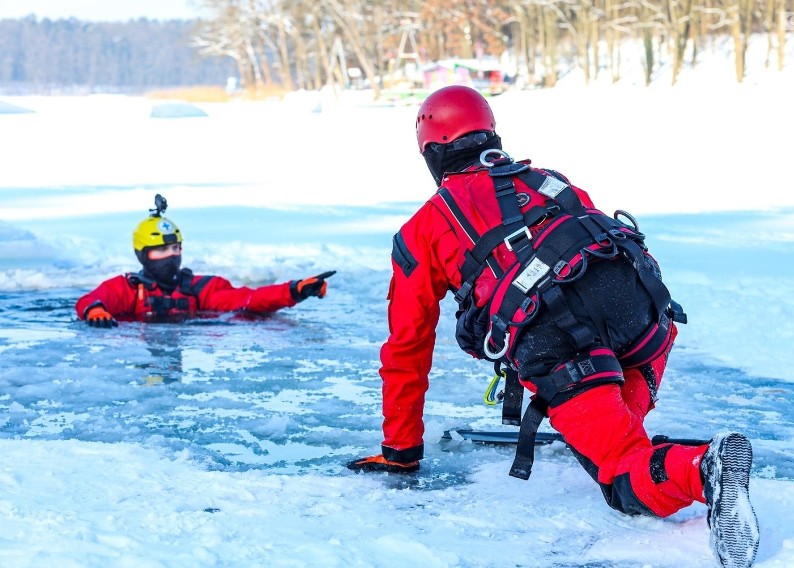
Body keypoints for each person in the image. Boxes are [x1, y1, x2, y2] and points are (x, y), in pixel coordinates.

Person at [347, 86, 759, 568]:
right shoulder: (546, 180)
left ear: (433, 152)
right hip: (645, 315)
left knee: (620, 474)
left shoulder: (423, 228)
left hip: (559, 338)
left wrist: (400, 449)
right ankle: (662, 452)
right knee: (619, 436)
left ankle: (701, 468)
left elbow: (407, 347)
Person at [76, 194, 335, 326]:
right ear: (143, 255)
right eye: (162, 251)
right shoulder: (127, 289)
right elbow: (91, 300)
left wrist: (294, 290)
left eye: (176, 248)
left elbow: (248, 300)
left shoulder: (201, 289)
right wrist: (96, 311)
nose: (171, 256)